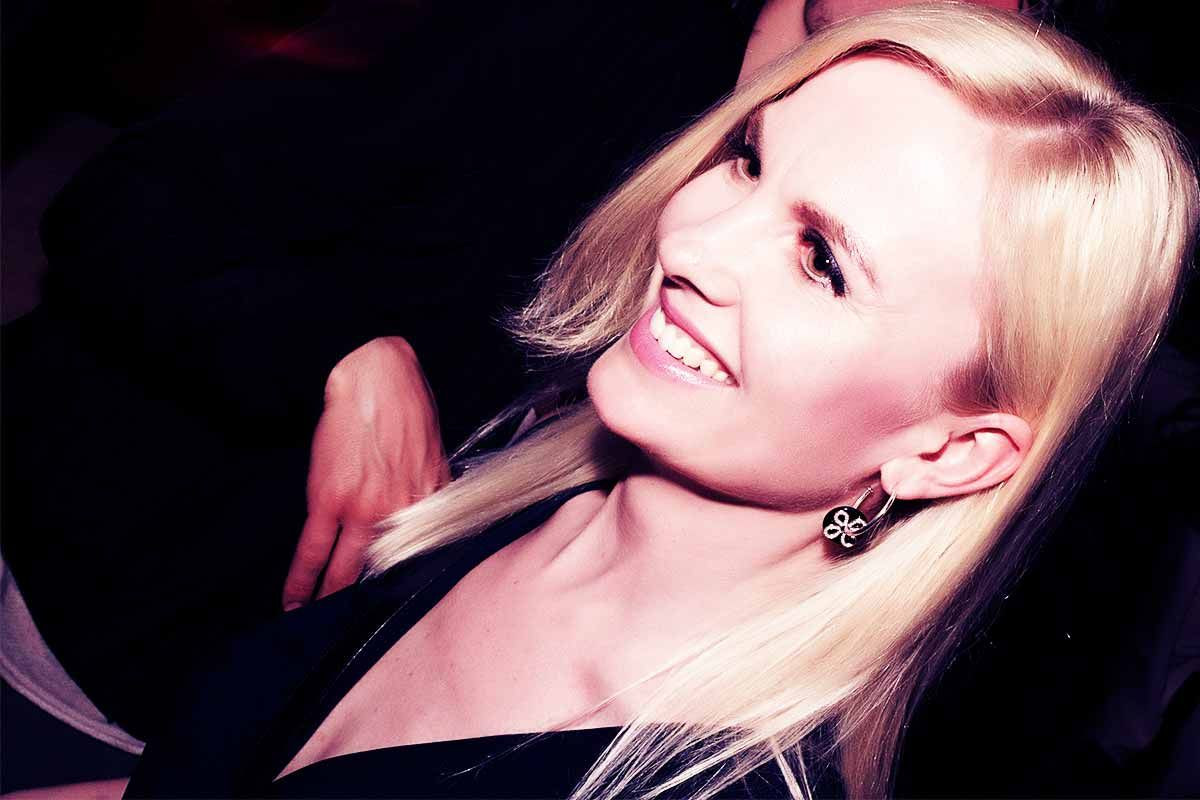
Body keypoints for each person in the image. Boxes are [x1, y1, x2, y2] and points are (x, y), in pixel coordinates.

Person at [123, 4, 1199, 798]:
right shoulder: (528, 489)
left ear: (949, 452)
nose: (691, 243)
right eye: (746, 160)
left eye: (822, 261)